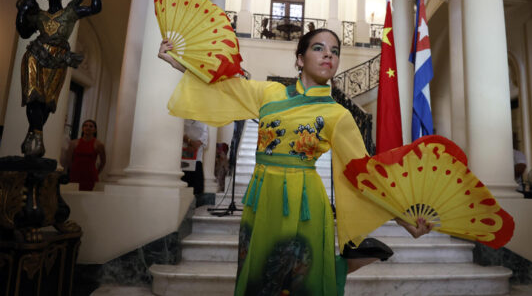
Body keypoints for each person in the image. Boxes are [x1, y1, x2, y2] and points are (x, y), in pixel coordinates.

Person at [159, 28, 432, 295]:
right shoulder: (270, 93)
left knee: (301, 278)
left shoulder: (338, 115)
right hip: (261, 198)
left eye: (334, 52)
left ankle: (339, 266)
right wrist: (177, 61)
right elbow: (226, 87)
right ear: (300, 59)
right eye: (319, 48)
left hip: (304, 203)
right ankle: (347, 263)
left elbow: (362, 172)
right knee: (256, 273)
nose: (329, 55)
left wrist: (405, 220)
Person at [16, 0, 101, 157]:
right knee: (33, 95)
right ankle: (37, 138)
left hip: (59, 58)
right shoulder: (39, 15)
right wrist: (22, 11)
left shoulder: (70, 12)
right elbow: (24, 32)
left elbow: (95, 7)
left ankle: (33, 134)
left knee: (48, 100)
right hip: (36, 55)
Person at [63, 119, 106, 191]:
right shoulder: (73, 143)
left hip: (90, 175)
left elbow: (103, 161)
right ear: (82, 128)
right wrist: (73, 170)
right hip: (75, 174)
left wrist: (96, 172)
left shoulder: (99, 144)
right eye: (85, 125)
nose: (88, 127)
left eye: (91, 126)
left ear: (95, 130)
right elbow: (68, 159)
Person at [181, 119, 208, 195]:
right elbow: (181, 135)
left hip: (197, 159)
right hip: (183, 159)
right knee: (183, 185)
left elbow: (203, 140)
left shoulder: (204, 123)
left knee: (197, 189)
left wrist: (193, 145)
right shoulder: (182, 120)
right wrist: (190, 142)